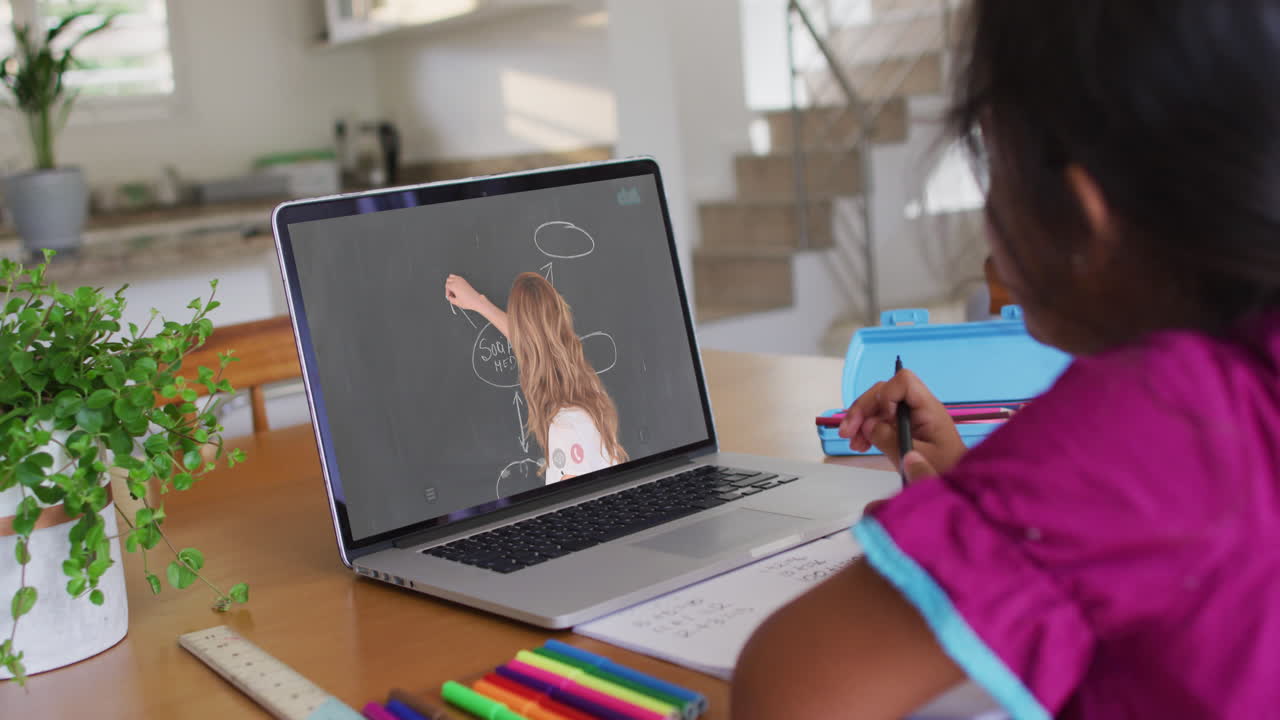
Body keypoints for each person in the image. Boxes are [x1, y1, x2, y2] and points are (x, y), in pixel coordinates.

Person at [733, 1, 1280, 717]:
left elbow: (788, 693)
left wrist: (993, 515)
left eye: (991, 161)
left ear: (1086, 217)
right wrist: (977, 497)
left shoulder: (1154, 418)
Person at [446, 272, 628, 484]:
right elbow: (537, 348)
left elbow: (573, 510)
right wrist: (479, 303)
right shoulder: (589, 391)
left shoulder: (564, 430)